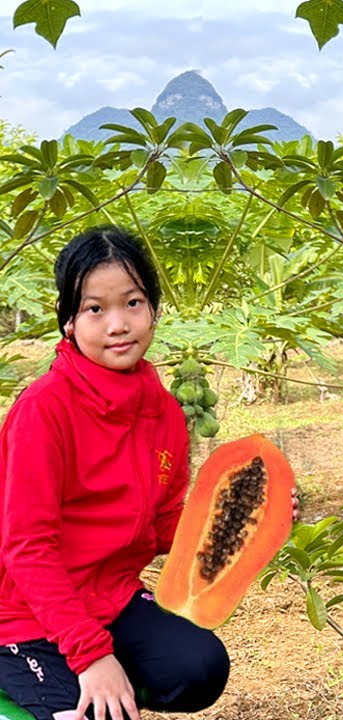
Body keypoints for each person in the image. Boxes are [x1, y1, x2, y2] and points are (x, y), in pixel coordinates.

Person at [0, 225, 230, 720]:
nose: (118, 324)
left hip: (111, 596)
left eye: (132, 302)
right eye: (95, 309)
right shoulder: (44, 411)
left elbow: (164, 524)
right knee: (99, 714)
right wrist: (92, 655)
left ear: (154, 310)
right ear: (68, 322)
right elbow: (26, 547)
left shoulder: (164, 411)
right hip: (22, 611)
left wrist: (245, 517)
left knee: (200, 668)